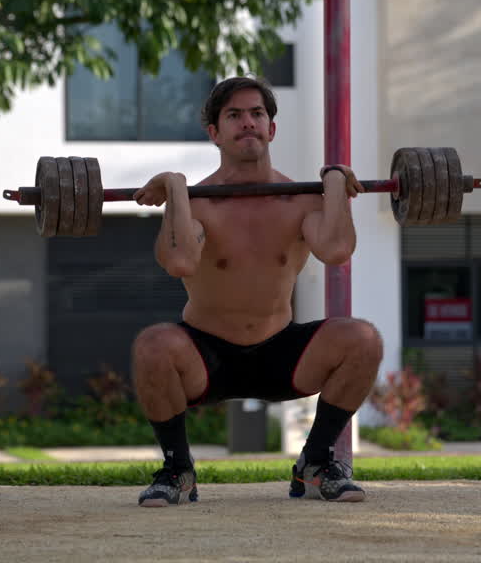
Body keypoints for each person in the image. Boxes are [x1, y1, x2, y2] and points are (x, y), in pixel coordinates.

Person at [130, 76, 384, 507]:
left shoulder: (301, 200)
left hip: (279, 352)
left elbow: (337, 251)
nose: (247, 123)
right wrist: (176, 187)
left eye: (256, 114)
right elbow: (179, 262)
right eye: (234, 115)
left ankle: (316, 464)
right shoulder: (198, 202)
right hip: (205, 356)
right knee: (153, 345)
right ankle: (178, 470)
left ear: (272, 128)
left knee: (363, 340)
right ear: (215, 133)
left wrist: (337, 182)